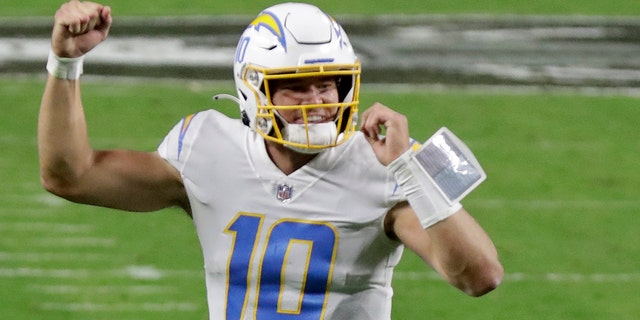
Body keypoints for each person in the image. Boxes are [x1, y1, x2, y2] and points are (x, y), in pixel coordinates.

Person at [39, 1, 503, 319]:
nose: (317, 100)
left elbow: (479, 276)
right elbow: (70, 176)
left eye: (328, 84)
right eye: (295, 87)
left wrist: (408, 168)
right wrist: (64, 63)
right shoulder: (206, 147)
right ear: (253, 90)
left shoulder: (391, 162)